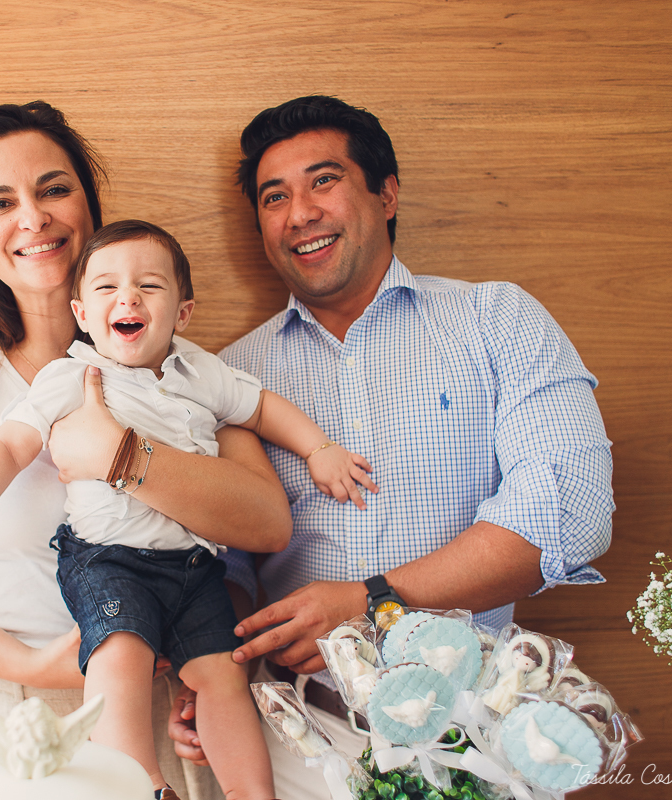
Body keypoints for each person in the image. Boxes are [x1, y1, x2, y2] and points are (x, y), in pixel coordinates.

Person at [169, 95, 614, 798]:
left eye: (323, 181)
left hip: (483, 735)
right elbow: (220, 567)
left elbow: (569, 515)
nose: (299, 213)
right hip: (298, 743)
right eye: (274, 196)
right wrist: (209, 673)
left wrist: (373, 600)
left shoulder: (496, 320)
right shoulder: (229, 381)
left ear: (387, 193)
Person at [0, 101, 293, 800]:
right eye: (1, 203)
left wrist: (121, 457)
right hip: (15, 724)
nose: (33, 217)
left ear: (90, 211)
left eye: (53, 189)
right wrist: (30, 666)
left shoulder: (180, 369)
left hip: (172, 716)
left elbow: (265, 525)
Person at [0, 219, 379, 799]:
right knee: (119, 656)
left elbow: (263, 409)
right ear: (82, 313)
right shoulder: (73, 375)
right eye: (107, 288)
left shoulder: (201, 372)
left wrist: (318, 449)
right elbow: (9, 446)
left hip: (194, 567)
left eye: (148, 286)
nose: (128, 298)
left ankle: (251, 793)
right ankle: (140, 784)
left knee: (223, 672)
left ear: (182, 312)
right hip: (108, 560)